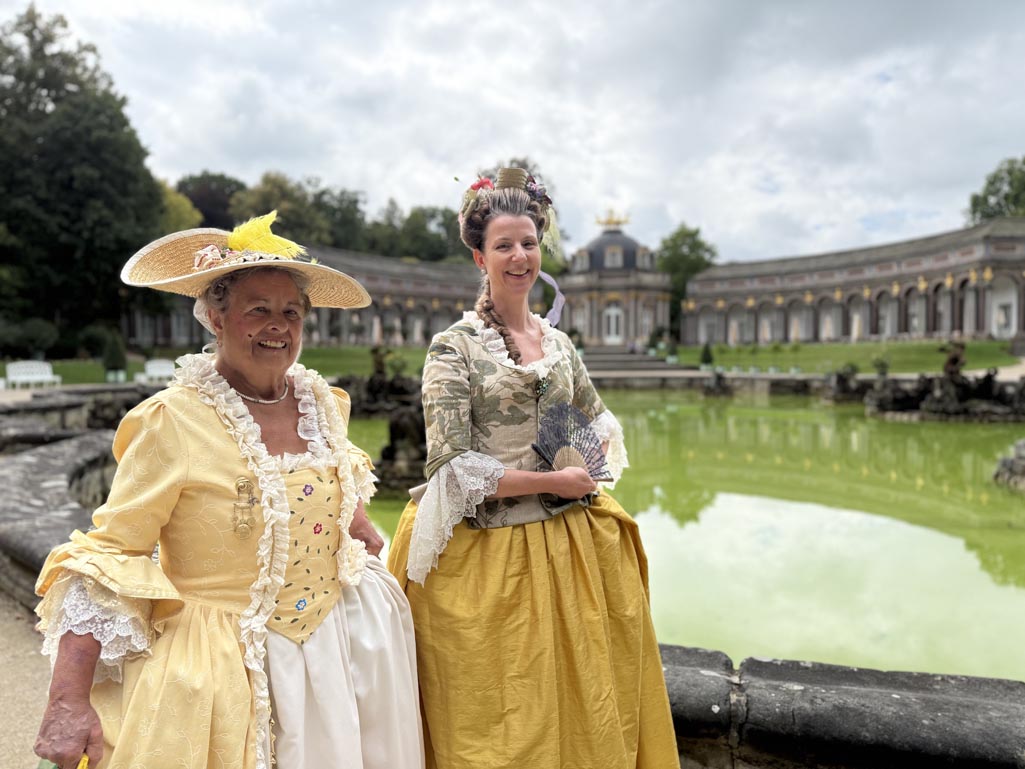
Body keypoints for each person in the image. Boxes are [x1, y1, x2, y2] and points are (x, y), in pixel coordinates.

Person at [34, 212, 424, 769]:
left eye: (291, 312)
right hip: (221, 664)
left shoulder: (324, 406)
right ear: (215, 318)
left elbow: (349, 520)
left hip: (341, 655)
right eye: (257, 309)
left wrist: (390, 577)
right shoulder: (172, 421)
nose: (277, 326)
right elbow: (111, 553)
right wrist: (67, 699)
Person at [386, 169, 679, 768]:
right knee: (499, 720)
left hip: (573, 545)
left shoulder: (560, 344)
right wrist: (553, 479)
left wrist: (581, 460)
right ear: (479, 256)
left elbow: (595, 421)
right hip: (483, 552)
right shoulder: (453, 348)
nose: (519, 256)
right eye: (503, 245)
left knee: (585, 705)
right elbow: (451, 466)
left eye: (528, 242)